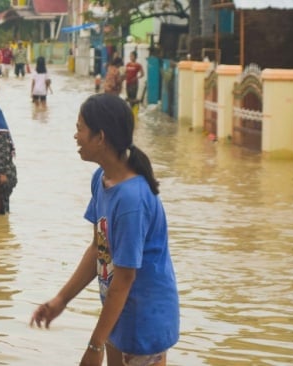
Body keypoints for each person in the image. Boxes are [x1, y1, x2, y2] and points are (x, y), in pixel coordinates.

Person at [30, 93, 179, 366]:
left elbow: (124, 280)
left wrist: (94, 345)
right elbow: (100, 249)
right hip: (118, 311)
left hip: (144, 319)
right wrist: (61, 300)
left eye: (79, 129)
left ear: (100, 137)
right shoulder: (102, 179)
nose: (75, 137)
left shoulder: (131, 200)